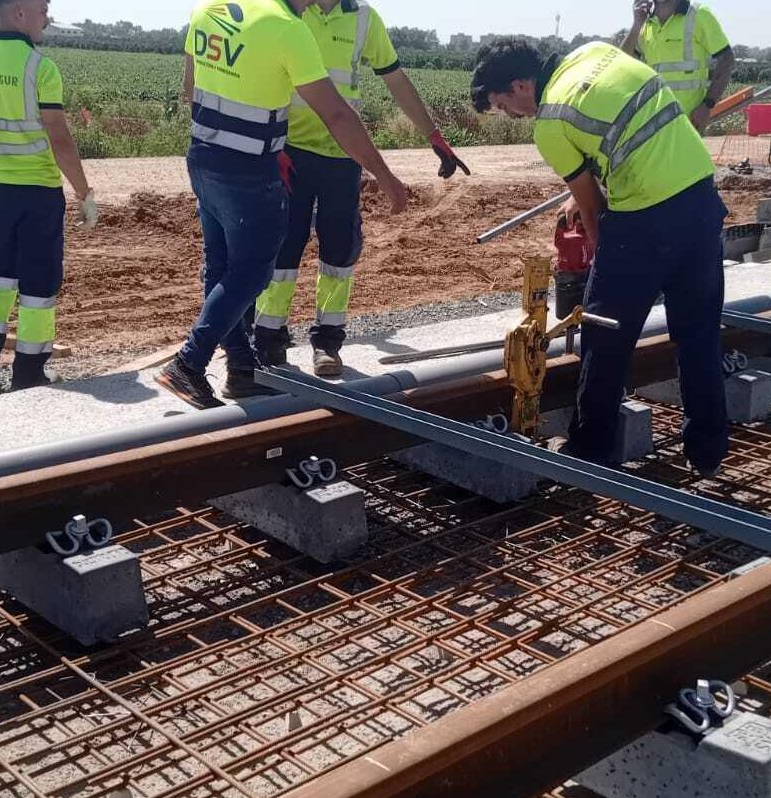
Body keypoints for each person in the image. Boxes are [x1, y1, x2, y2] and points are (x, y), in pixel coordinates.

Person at [471, 38, 730, 474]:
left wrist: (602, 262)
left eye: (504, 106)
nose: (512, 116)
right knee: (699, 334)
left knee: (604, 336)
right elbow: (624, 134)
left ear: (520, 85)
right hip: (701, 201)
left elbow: (592, 208)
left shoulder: (549, 123)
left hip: (644, 221)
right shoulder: (597, 52)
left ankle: (590, 450)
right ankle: (707, 451)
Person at [159, 0, 410, 409]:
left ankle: (242, 369)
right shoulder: (288, 29)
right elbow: (336, 114)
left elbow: (190, 89)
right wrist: (383, 175)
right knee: (252, 272)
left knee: (220, 267)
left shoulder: (207, 10)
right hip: (251, 169)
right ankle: (189, 362)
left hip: (204, 155)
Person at [250, 0, 470, 377]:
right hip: (286, 152)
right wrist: (266, 142)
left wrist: (432, 134)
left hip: (341, 153)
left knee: (340, 249)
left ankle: (327, 343)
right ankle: (268, 342)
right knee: (282, 246)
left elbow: (396, 79)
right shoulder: (285, 10)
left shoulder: (364, 18)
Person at [0, 0, 98, 391]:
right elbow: (60, 140)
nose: (46, 20)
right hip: (38, 194)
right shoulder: (40, 68)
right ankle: (30, 372)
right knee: (39, 285)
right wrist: (84, 193)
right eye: (42, 10)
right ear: (18, 11)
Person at [620, 0, 736, 132]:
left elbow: (727, 60)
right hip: (652, 123)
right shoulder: (645, 23)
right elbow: (623, 61)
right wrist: (636, 24)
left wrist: (707, 105)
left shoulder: (699, 14)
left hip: (688, 122)